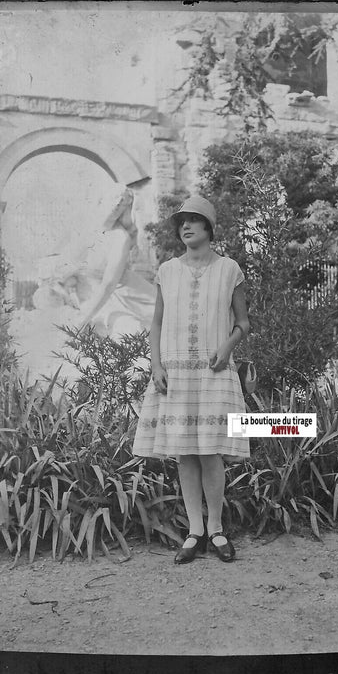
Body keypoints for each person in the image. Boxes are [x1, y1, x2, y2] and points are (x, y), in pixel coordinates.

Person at [133, 194, 250, 564]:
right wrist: (156, 365)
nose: (185, 226)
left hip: (214, 372)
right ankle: (195, 531)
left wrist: (227, 348)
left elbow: (243, 323)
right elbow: (156, 324)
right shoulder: (167, 270)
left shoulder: (230, 269)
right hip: (177, 373)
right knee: (185, 453)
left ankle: (216, 529)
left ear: (208, 228)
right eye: (181, 221)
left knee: (210, 451)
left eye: (193, 220)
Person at [78, 181, 156, 339]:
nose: (116, 205)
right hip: (101, 296)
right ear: (103, 200)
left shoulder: (121, 238)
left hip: (126, 293)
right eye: (114, 199)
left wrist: (80, 321)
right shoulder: (85, 232)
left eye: (122, 203)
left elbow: (108, 285)